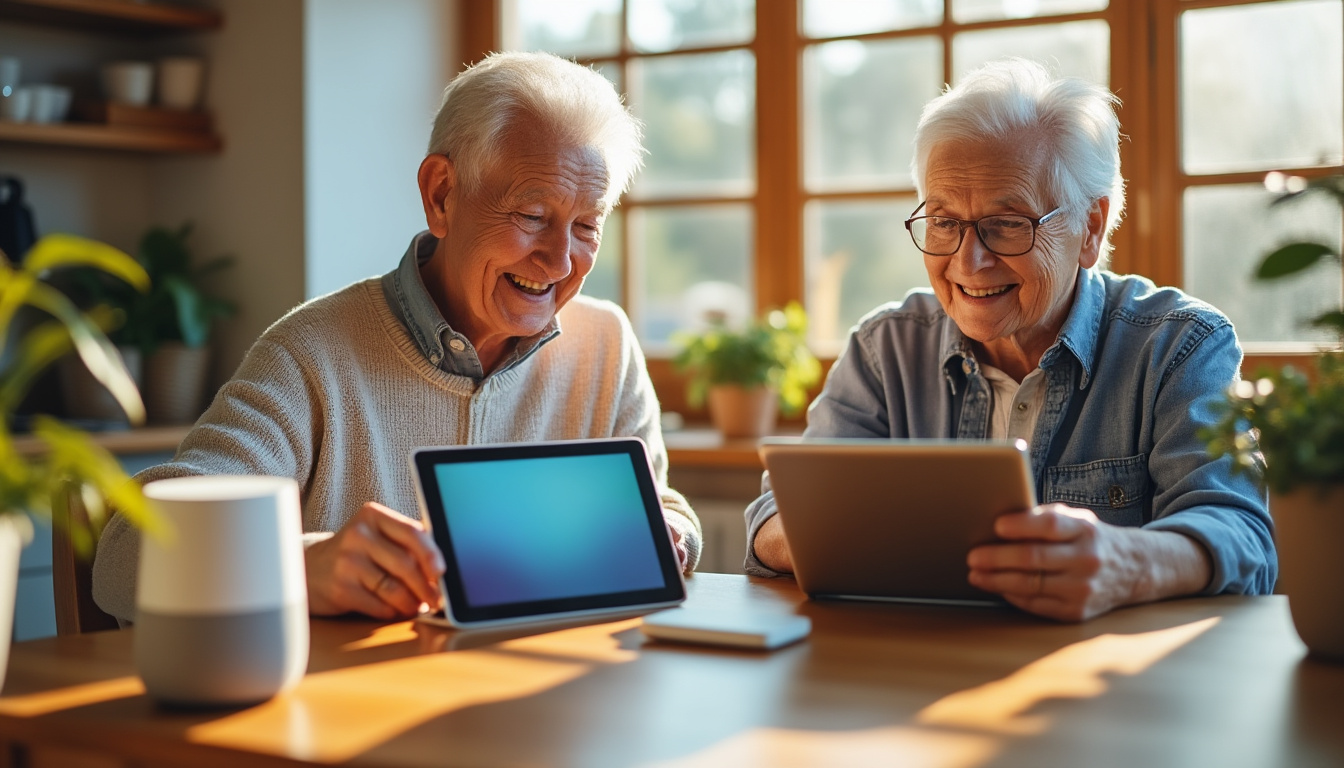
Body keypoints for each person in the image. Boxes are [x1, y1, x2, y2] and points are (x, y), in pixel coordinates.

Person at [93, 51, 701, 622]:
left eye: (586, 226)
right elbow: (125, 553)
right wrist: (303, 565)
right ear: (442, 195)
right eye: (533, 217)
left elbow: (661, 506)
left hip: (544, 710)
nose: (560, 260)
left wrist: (674, 536)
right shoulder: (312, 355)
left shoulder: (606, 345)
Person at [745, 58, 1275, 622]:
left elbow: (1241, 536)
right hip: (914, 676)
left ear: (1091, 228)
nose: (968, 262)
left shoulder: (1181, 346)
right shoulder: (886, 349)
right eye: (945, 222)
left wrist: (1129, 560)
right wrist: (837, 535)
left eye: (1007, 224)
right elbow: (770, 521)